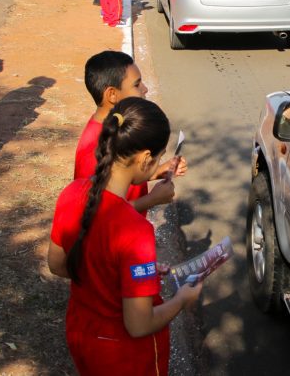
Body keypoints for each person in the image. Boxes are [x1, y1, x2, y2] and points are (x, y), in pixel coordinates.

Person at [48, 97, 203, 375]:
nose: (158, 163)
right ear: (145, 158)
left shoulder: (71, 194)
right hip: (123, 356)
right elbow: (139, 324)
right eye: (157, 157)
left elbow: (58, 265)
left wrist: (128, 273)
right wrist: (181, 300)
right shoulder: (135, 230)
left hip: (82, 333)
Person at [74, 51, 184, 215]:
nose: (145, 89)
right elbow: (96, 214)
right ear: (112, 94)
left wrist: (158, 170)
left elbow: (124, 173)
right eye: (137, 84)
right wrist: (151, 200)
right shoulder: (92, 148)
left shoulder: (122, 128)